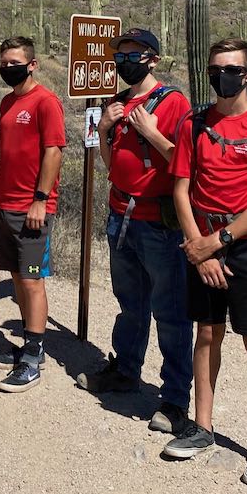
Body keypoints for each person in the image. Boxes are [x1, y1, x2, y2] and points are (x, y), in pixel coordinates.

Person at [164, 38, 247, 490]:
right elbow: (181, 188)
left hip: (245, 247)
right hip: (201, 242)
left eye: (231, 69)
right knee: (206, 333)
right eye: (215, 68)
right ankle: (202, 425)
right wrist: (197, 245)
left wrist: (216, 242)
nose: (221, 76)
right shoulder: (194, 124)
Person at [78, 27, 193, 435]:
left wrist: (152, 133)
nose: (125, 60)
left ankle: (176, 398)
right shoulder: (116, 102)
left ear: (153, 59)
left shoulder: (174, 102)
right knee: (130, 302)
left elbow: (185, 160)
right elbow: (110, 165)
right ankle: (126, 370)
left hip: (158, 223)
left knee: (171, 312)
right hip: (120, 214)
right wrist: (106, 130)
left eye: (134, 53)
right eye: (121, 54)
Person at [0, 37, 66, 391]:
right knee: (17, 278)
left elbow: (54, 152)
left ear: (32, 64)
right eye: (3, 62)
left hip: (31, 208)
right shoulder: (5, 102)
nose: (7, 68)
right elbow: (10, 157)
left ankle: (32, 357)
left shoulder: (46, 102)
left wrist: (41, 200)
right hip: (6, 205)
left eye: (14, 62)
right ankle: (31, 347)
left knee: (32, 281)